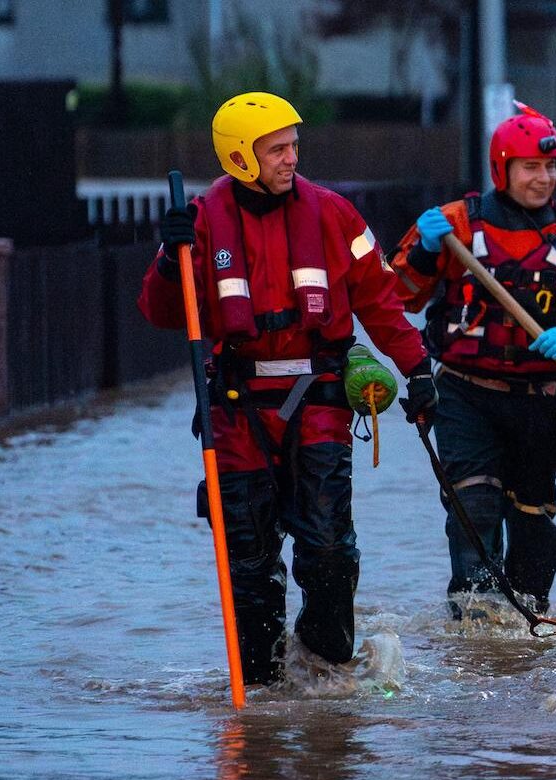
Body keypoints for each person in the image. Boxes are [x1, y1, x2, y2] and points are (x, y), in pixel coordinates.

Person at [139, 91, 436, 685]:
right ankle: (263, 687)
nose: (291, 158)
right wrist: (171, 261)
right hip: (235, 406)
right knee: (246, 563)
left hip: (320, 397)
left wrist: (418, 369)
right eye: (276, 149)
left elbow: (380, 298)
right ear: (242, 158)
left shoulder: (334, 214)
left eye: (294, 145)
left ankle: (326, 673)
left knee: (328, 549)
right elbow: (162, 311)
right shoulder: (199, 221)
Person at [390, 105, 556, 617]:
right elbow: (398, 294)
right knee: (474, 503)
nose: (544, 179)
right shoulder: (452, 225)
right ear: (502, 169)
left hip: (542, 399)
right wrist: (426, 253)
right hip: (465, 393)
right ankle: (476, 618)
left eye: (552, 168)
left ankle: (527, 616)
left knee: (533, 516)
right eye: (531, 168)